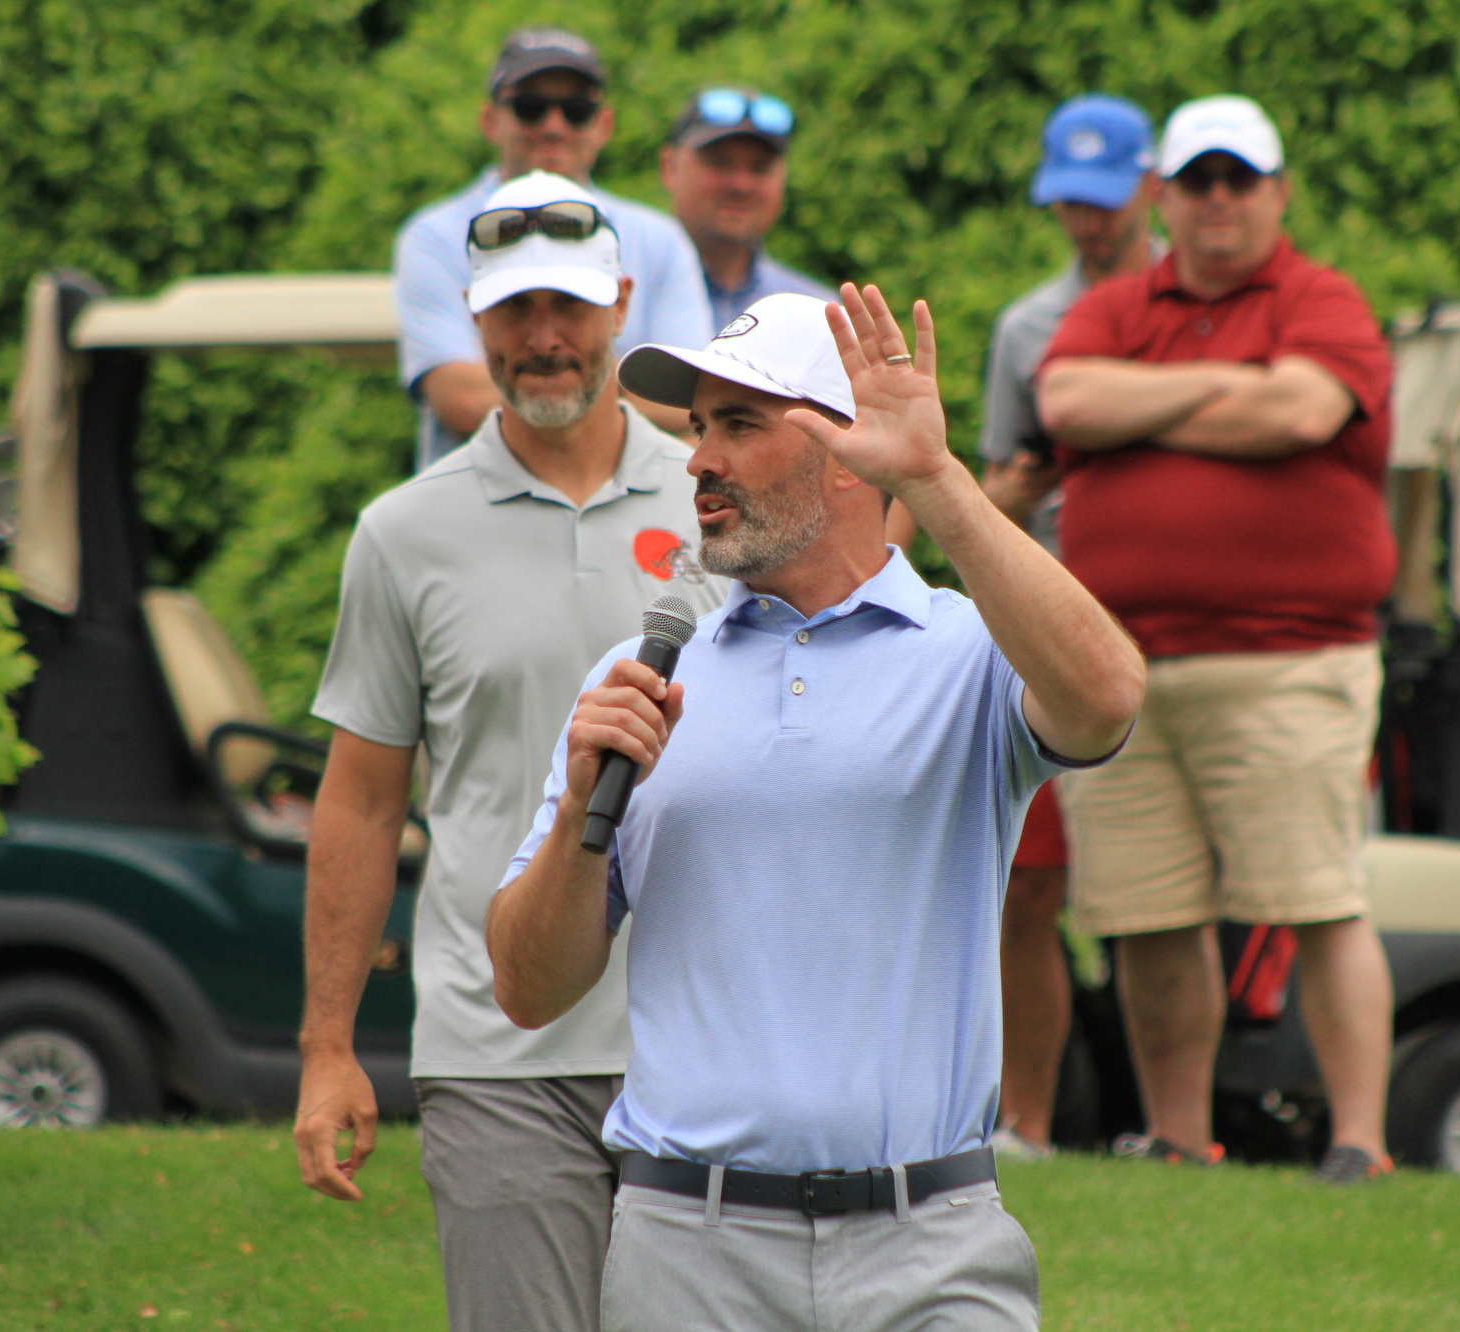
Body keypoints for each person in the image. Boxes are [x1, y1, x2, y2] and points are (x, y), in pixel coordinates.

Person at [487, 286, 1146, 1331]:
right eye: (698, 427)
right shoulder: (636, 678)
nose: (697, 459)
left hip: (932, 1240)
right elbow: (525, 988)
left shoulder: (969, 653)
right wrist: (579, 806)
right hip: (683, 1249)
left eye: (740, 425)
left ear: (849, 454)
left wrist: (932, 477)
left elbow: (1108, 697)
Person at [294, 171, 725, 1332]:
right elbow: (361, 801)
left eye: (570, 309)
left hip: (704, 1045)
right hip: (497, 1052)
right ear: (470, 320)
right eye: (514, 312)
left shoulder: (717, 505)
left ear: (623, 306)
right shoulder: (401, 532)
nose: (544, 340)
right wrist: (327, 1047)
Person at [1035, 94, 1398, 1184]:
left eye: (1240, 180)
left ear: (1277, 193)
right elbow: (1063, 398)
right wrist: (1231, 387)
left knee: (1318, 900)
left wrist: (1141, 405)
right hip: (1123, 670)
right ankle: (1180, 1138)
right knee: (1147, 917)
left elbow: (1299, 415)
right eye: (1197, 182)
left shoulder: (1320, 298)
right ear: (1164, 197)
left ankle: (1359, 1143)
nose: (1218, 201)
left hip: (1286, 659)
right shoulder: (1108, 306)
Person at [974, 94, 1163, 1162]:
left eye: (1101, 204)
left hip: (1164, 629)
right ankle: (1026, 1124)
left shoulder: (1201, 305)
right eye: (1066, 206)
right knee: (1028, 885)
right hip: (1052, 630)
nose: (1084, 226)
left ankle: (1172, 1124)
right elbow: (1006, 485)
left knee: (1154, 896)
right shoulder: (1027, 328)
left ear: (1149, 189)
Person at [394, 26, 714, 469]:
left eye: (577, 109)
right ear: (490, 120)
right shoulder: (433, 235)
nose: (553, 125)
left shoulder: (659, 238)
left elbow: (693, 401)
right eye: (530, 107)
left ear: (604, 124)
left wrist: (546, 379)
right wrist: (603, 374)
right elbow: (462, 401)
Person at [658, 86, 837, 330]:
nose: (740, 185)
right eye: (719, 162)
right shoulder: (618, 290)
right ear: (670, 168)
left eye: (760, 167)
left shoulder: (820, 317)